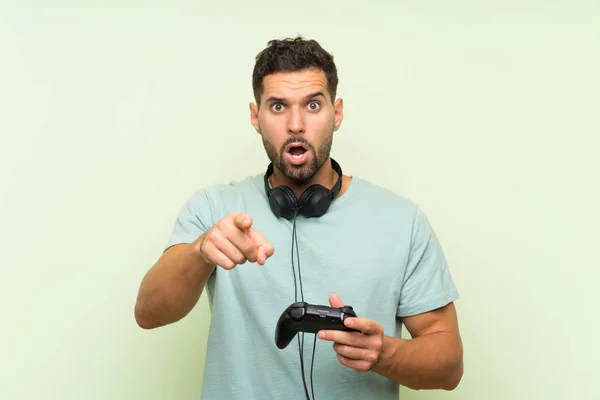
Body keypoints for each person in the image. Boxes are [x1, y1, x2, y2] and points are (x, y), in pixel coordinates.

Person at [134, 36, 463, 399]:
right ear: (254, 117)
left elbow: (449, 366)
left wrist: (384, 353)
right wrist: (199, 252)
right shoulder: (213, 208)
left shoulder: (403, 221)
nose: (295, 124)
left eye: (312, 105)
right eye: (277, 106)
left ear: (337, 113)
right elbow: (149, 313)